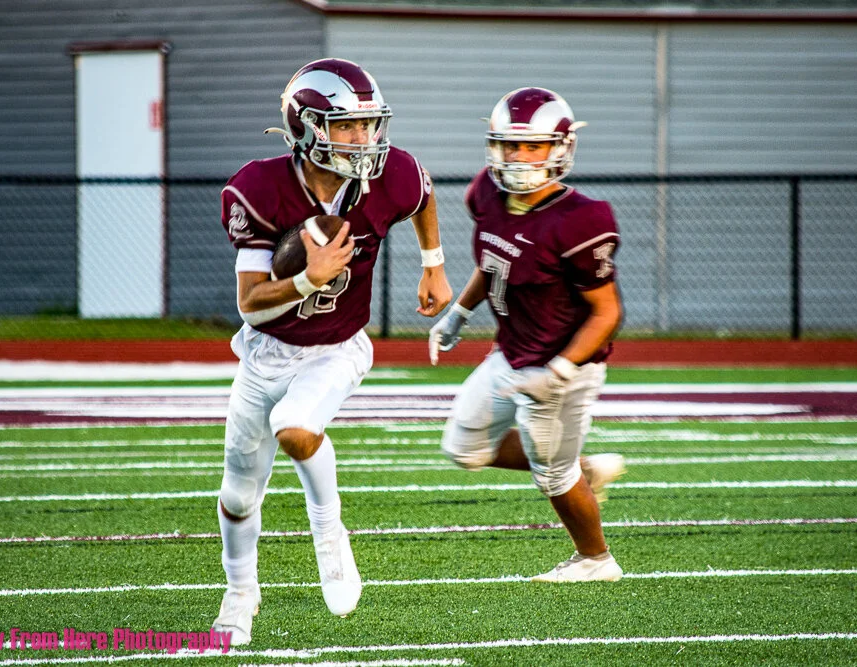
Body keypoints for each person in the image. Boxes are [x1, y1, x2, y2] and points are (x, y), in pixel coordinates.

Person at [214, 58, 452, 644]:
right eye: (345, 125)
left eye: (368, 124)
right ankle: (240, 593)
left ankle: (329, 532)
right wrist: (306, 278)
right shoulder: (258, 189)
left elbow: (422, 194)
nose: (363, 138)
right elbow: (251, 305)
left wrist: (434, 264)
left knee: (296, 428)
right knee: (238, 495)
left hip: (338, 347)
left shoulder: (391, 173)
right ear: (305, 127)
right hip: (266, 349)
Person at [430, 87, 626, 583]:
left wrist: (558, 372)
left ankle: (596, 559)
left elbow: (607, 312)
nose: (520, 156)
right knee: (464, 448)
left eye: (534, 146)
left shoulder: (581, 219)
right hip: (511, 353)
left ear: (560, 149)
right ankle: (584, 467)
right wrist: (458, 313)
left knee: (554, 474)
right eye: (510, 145)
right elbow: (492, 261)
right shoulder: (486, 193)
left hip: (566, 364)